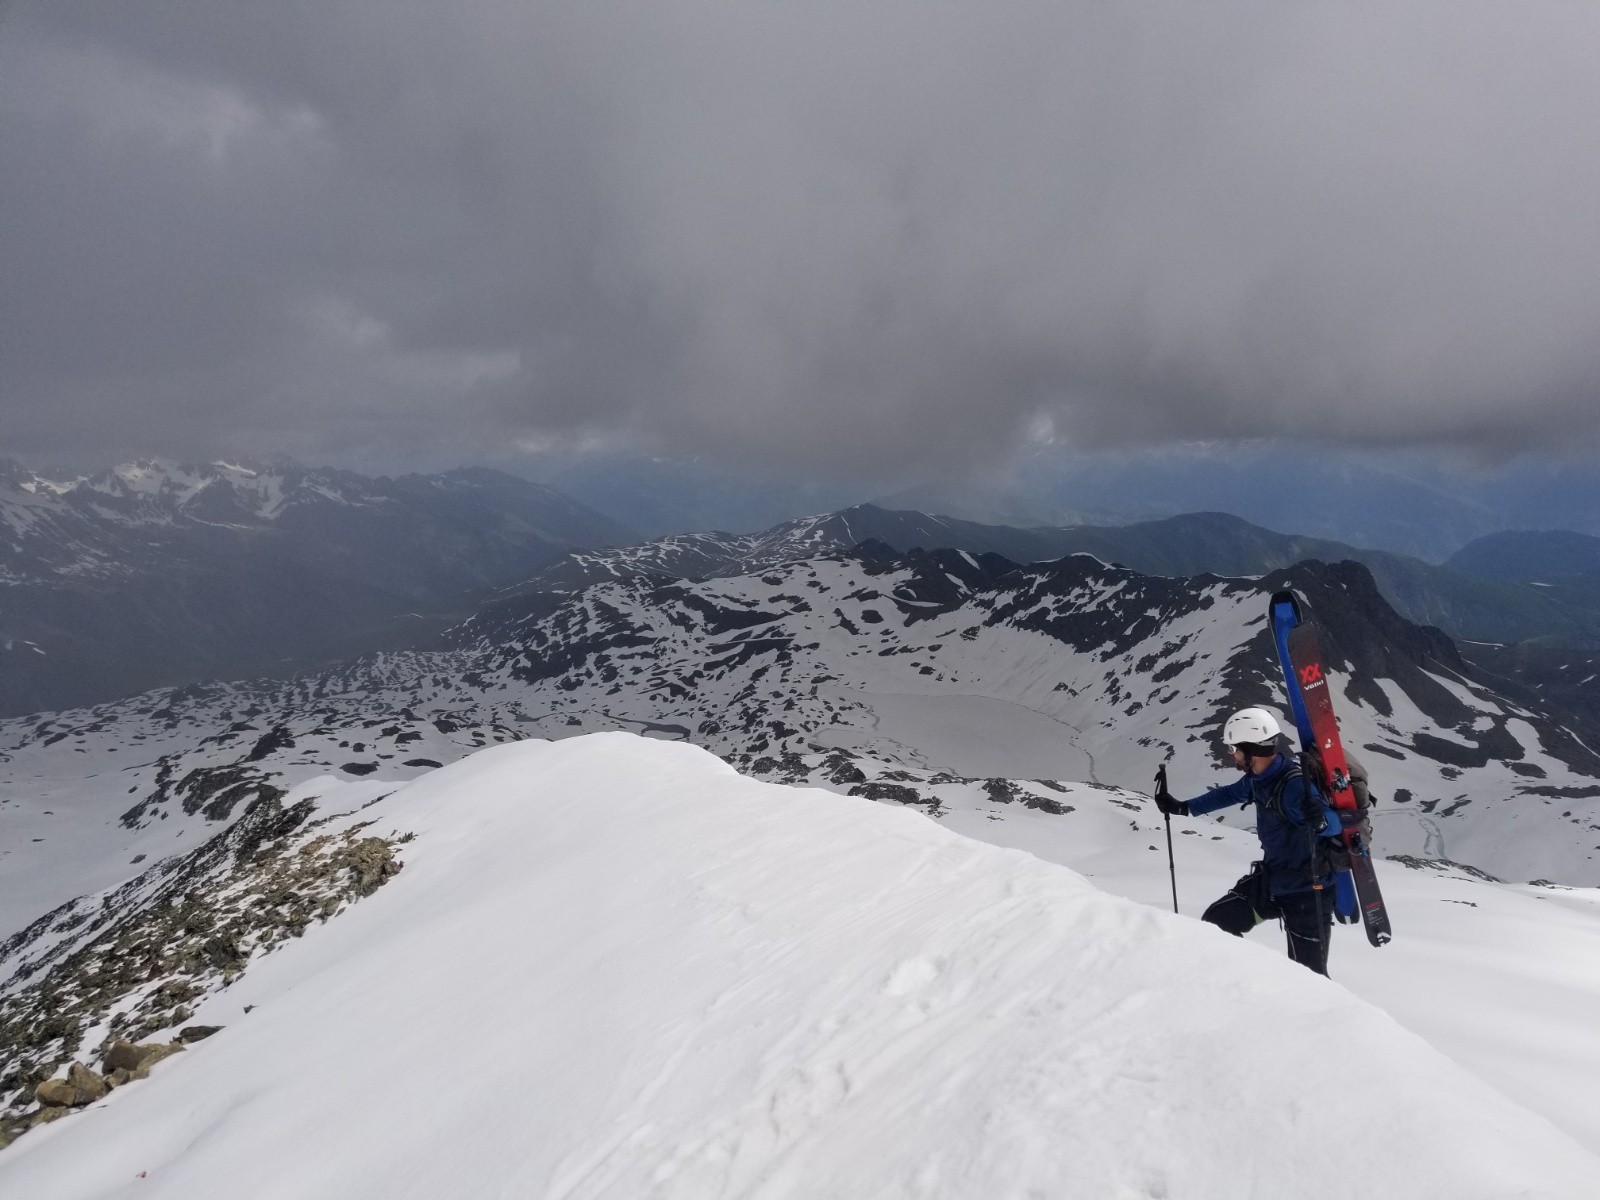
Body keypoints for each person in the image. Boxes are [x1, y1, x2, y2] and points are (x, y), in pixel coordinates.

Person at [1155, 706, 1343, 975]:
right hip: (1273, 883)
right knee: (1216, 923)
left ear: (1250, 749)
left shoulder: (1291, 787)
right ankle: (1244, 990)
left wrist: (1322, 821)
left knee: (1310, 977)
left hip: (1307, 894)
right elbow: (1229, 795)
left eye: (1234, 749)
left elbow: (1333, 823)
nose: (1232, 755)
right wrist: (1183, 807)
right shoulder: (1260, 779)